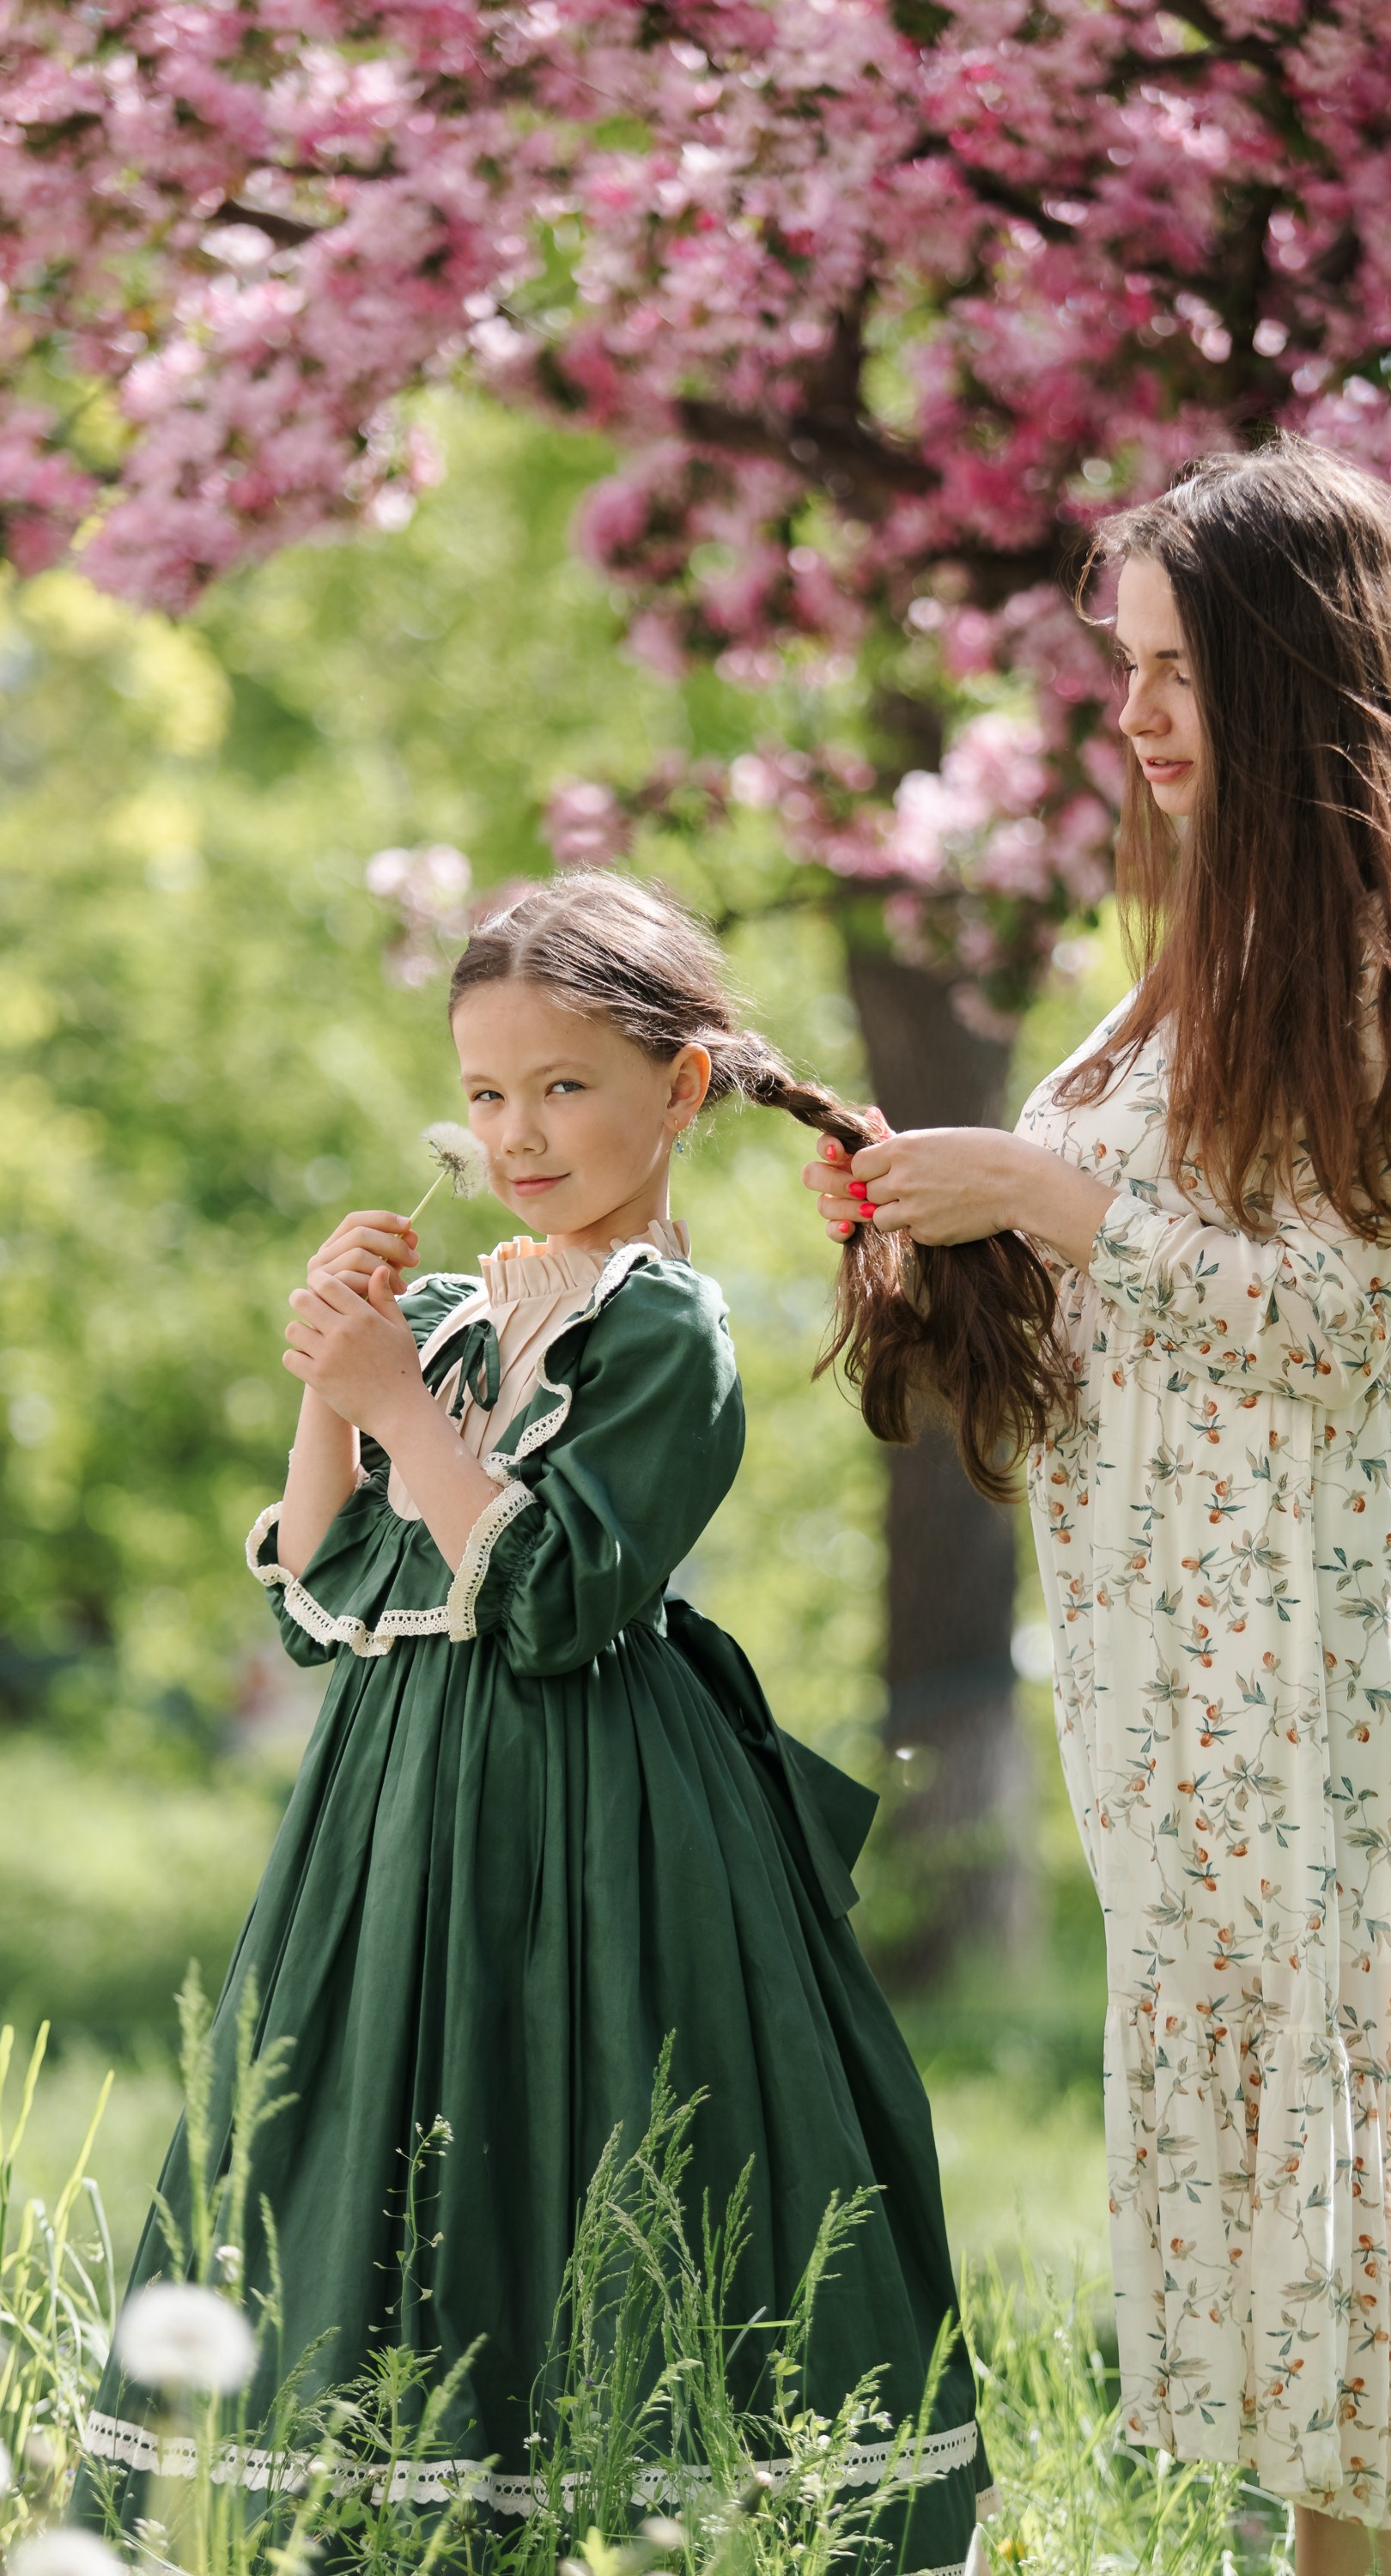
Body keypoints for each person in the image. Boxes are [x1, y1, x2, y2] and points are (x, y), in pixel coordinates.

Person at [806, 440, 1391, 2573]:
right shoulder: (1194, 959)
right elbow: (1142, 1288)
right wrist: (938, 1219)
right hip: (1166, 1674)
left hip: (1303, 1669)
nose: (1133, 713)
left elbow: (1356, 1313)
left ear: (1285, 673)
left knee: (1343, 2127)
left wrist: (1049, 1197)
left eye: (1173, 670)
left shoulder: (1387, 956)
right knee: (1280, 2137)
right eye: (1124, 669)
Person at [82, 872, 984, 2572]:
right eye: (486, 1092)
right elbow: (327, 1597)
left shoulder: (664, 1332)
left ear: (682, 1090)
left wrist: (396, 1404)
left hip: (594, 1811)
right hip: (395, 1807)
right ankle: (377, 2507)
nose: (518, 1132)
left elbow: (561, 1590)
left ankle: (599, 2511)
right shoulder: (448, 1315)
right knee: (377, 2125)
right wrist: (330, 1392)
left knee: (583, 2114)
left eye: (564, 1085)